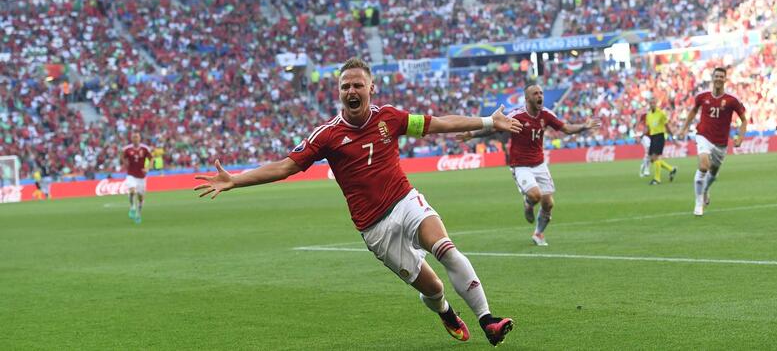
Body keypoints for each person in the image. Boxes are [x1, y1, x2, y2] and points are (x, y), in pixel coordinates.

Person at [194, 58, 521, 346]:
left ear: (371, 88)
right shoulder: (326, 135)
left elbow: (438, 123)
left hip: (405, 201)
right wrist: (235, 179)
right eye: (345, 86)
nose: (352, 91)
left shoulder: (390, 118)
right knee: (433, 288)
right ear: (339, 91)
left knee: (445, 248)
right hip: (375, 229)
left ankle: (487, 320)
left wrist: (489, 123)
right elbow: (285, 167)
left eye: (358, 85)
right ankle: (446, 312)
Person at [457, 83, 599, 247]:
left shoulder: (546, 114)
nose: (540, 96)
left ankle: (538, 233)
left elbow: (566, 128)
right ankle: (528, 203)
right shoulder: (517, 116)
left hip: (539, 164)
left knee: (548, 203)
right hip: (520, 165)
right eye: (535, 94)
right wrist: (472, 134)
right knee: (535, 195)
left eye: (541, 93)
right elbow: (495, 128)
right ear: (527, 98)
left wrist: (584, 127)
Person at [679, 67, 748, 216]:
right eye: (716, 76)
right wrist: (684, 128)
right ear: (712, 78)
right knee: (704, 166)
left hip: (721, 142)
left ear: (725, 79)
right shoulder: (702, 96)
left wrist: (740, 137)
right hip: (703, 136)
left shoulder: (732, 100)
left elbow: (744, 120)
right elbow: (693, 111)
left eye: (721, 77)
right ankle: (698, 203)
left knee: (713, 173)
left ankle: (705, 190)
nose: (718, 79)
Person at [645, 96, 678, 185]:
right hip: (652, 137)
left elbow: (666, 126)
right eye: (650, 103)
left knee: (656, 157)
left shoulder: (661, 113)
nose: (652, 105)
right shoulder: (648, 115)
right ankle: (671, 169)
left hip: (660, 136)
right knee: (652, 159)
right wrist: (643, 136)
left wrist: (673, 137)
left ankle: (657, 179)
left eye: (653, 103)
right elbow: (648, 128)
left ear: (656, 104)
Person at [122, 132, 152, 224]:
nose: (135, 139)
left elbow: (151, 159)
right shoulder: (127, 149)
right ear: (132, 139)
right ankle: (132, 207)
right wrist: (125, 163)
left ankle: (138, 214)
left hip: (141, 177)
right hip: (131, 175)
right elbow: (122, 156)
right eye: (134, 137)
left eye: (137, 137)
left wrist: (147, 168)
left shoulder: (145, 149)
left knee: (140, 197)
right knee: (132, 191)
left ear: (139, 138)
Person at [638, 112, 652, 178]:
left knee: (649, 154)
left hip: (650, 137)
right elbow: (644, 127)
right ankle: (646, 169)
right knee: (648, 152)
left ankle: (642, 169)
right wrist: (641, 135)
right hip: (645, 137)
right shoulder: (645, 117)